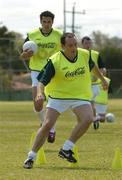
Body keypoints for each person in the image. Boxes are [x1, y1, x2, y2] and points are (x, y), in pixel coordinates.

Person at [23, 32, 108, 169]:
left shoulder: (84, 55)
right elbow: (42, 81)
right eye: (70, 46)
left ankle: (66, 148)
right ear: (62, 46)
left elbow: (93, 67)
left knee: (88, 118)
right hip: (58, 97)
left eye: (75, 44)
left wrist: (103, 79)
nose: (73, 48)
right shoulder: (55, 60)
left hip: (78, 96)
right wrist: (40, 93)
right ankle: (31, 157)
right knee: (47, 125)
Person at [21, 11, 63, 143]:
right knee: (38, 105)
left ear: (52, 22)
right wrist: (26, 55)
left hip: (53, 70)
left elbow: (65, 51)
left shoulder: (59, 35)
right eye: (44, 21)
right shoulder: (32, 35)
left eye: (49, 22)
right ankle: (46, 123)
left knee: (52, 103)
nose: (46, 24)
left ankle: (51, 129)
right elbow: (22, 55)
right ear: (40, 21)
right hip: (37, 71)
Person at [81, 36, 106, 129]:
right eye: (86, 43)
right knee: (85, 103)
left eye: (89, 43)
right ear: (82, 44)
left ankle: (94, 119)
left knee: (90, 102)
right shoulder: (78, 54)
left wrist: (102, 73)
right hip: (82, 84)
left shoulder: (96, 54)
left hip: (93, 85)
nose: (88, 45)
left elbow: (103, 67)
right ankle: (93, 119)